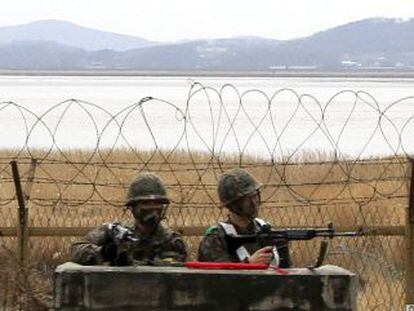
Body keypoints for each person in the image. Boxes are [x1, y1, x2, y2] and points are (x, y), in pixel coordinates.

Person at [71, 172, 187, 266]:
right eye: (145, 203)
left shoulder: (172, 241)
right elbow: (76, 249)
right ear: (132, 207)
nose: (152, 208)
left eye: (157, 203)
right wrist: (103, 253)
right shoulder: (115, 232)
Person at [198, 168, 291, 267]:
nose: (254, 202)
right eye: (248, 199)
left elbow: (287, 274)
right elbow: (215, 277)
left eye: (255, 196)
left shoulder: (266, 230)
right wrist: (249, 264)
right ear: (234, 204)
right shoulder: (216, 239)